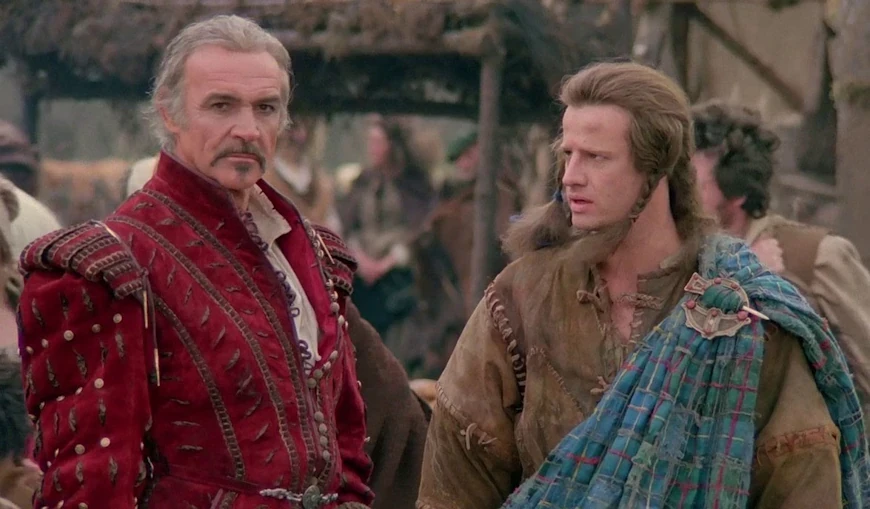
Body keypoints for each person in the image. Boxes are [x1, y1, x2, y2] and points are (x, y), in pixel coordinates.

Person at [417, 62, 868, 509]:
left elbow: (801, 475)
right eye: (568, 154)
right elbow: (455, 475)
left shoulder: (741, 309)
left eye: (596, 157)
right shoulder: (523, 294)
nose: (571, 176)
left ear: (657, 168)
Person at [18, 15, 374, 508]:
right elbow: (91, 483)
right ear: (170, 113)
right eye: (221, 105)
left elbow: (347, 442)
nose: (247, 129)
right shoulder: (109, 267)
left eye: (266, 108)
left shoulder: (312, 254)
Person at [692, 99, 870, 420]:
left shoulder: (815, 257)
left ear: (737, 193)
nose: (682, 196)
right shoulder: (684, 258)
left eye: (695, 185)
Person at [263, 118, 342, 235]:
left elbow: (333, 225)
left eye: (306, 127)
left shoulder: (321, 181)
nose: (299, 135)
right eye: (292, 129)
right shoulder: (267, 177)